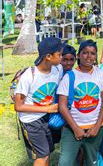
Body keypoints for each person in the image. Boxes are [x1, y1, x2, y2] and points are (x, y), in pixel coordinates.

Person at [57, 40, 103, 166]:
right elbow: (62, 106)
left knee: (91, 161)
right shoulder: (70, 76)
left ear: (96, 56)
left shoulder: (100, 74)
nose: (88, 56)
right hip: (72, 129)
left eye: (92, 53)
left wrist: (97, 127)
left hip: (94, 129)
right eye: (85, 53)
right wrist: (76, 129)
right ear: (79, 55)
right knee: (65, 162)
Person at [14, 37, 63, 166]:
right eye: (59, 54)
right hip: (30, 121)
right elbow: (18, 106)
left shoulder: (58, 70)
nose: (62, 57)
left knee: (46, 153)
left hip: (47, 118)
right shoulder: (29, 76)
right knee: (42, 156)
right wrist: (47, 109)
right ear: (48, 56)